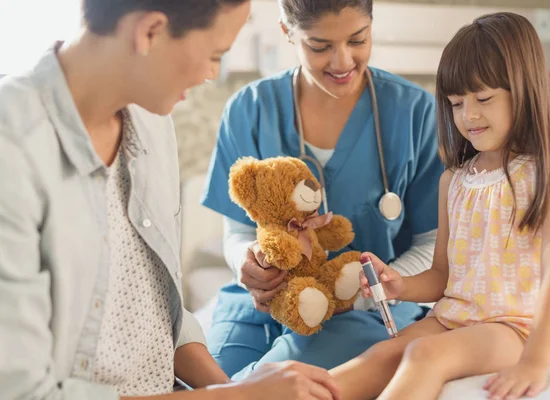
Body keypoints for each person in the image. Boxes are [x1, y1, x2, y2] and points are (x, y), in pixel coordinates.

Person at [0, 1, 342, 399]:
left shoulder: (150, 120)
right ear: (150, 32)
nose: (212, 75)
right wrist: (239, 396)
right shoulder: (15, 149)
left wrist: (233, 388)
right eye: (214, 56)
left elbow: (160, 310)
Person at [329, 11, 550, 400]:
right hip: (455, 318)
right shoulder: (455, 181)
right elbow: (443, 275)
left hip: (518, 328)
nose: (469, 115)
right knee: (381, 355)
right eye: (456, 103)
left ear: (524, 90)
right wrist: (400, 286)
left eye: (483, 99)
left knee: (424, 354)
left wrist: (535, 360)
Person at [201, 0, 444, 379]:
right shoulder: (249, 110)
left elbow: (434, 245)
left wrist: (363, 294)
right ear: (287, 32)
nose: (343, 61)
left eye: (357, 40)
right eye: (320, 46)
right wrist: (248, 264)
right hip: (259, 307)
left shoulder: (415, 113)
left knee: (267, 384)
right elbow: (238, 232)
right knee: (205, 383)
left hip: (368, 311)